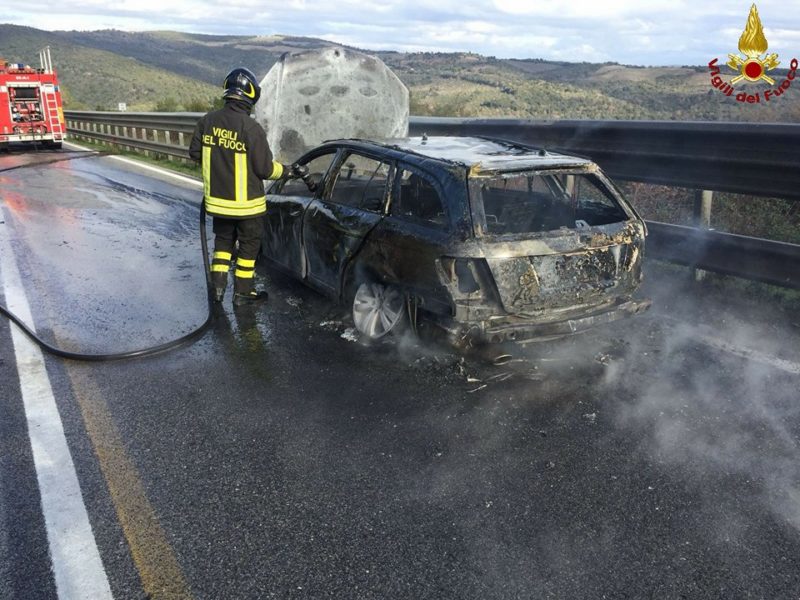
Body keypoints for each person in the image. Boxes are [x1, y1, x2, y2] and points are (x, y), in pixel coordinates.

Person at [189, 67, 289, 306]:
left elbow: (195, 153)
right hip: (248, 207)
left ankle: (218, 290)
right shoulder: (251, 128)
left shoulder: (207, 122)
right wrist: (285, 171)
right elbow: (265, 169)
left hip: (218, 204)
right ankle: (243, 293)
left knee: (222, 245)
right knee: (247, 249)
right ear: (252, 95)